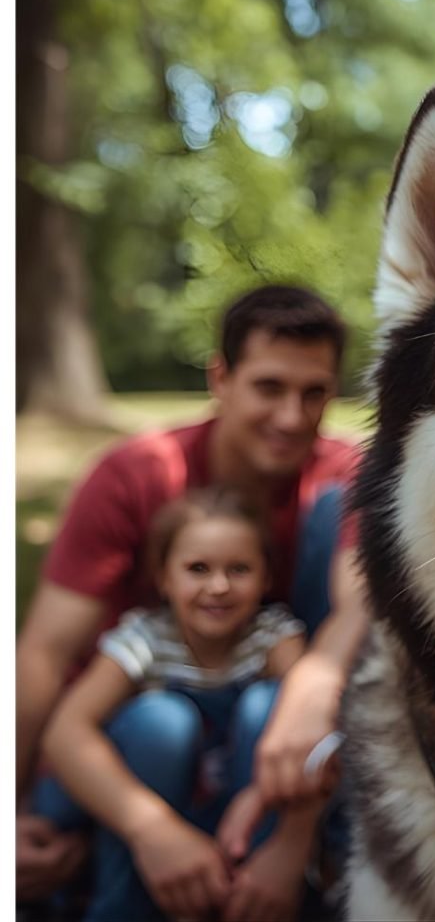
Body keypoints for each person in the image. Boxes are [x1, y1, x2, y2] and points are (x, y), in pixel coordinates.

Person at [16, 284, 369, 919]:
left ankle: (305, 874)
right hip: (135, 737)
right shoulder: (141, 474)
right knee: (161, 728)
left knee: (276, 697)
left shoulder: (341, 476)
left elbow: (359, 606)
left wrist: (313, 688)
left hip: (272, 745)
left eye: (314, 392)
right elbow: (45, 652)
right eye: (269, 387)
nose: (292, 416)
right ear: (221, 377)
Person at [41, 486, 307, 921]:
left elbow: (314, 731)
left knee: (272, 705)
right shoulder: (144, 640)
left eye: (239, 569)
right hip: (158, 817)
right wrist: (154, 830)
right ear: (164, 577)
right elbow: (66, 731)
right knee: (161, 721)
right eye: (197, 569)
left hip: (237, 823)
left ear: (265, 579)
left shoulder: (274, 638)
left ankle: (253, 897)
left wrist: (265, 796)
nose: (218, 587)